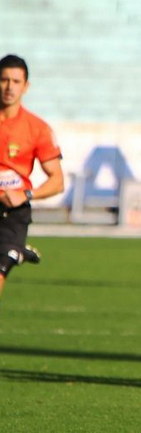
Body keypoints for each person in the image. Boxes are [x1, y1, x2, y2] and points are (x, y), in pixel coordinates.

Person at [0, 54, 64, 310]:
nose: (9, 87)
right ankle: (18, 251)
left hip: (13, 212)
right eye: (4, 80)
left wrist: (25, 194)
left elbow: (57, 181)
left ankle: (12, 251)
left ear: (25, 86)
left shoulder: (37, 128)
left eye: (16, 81)